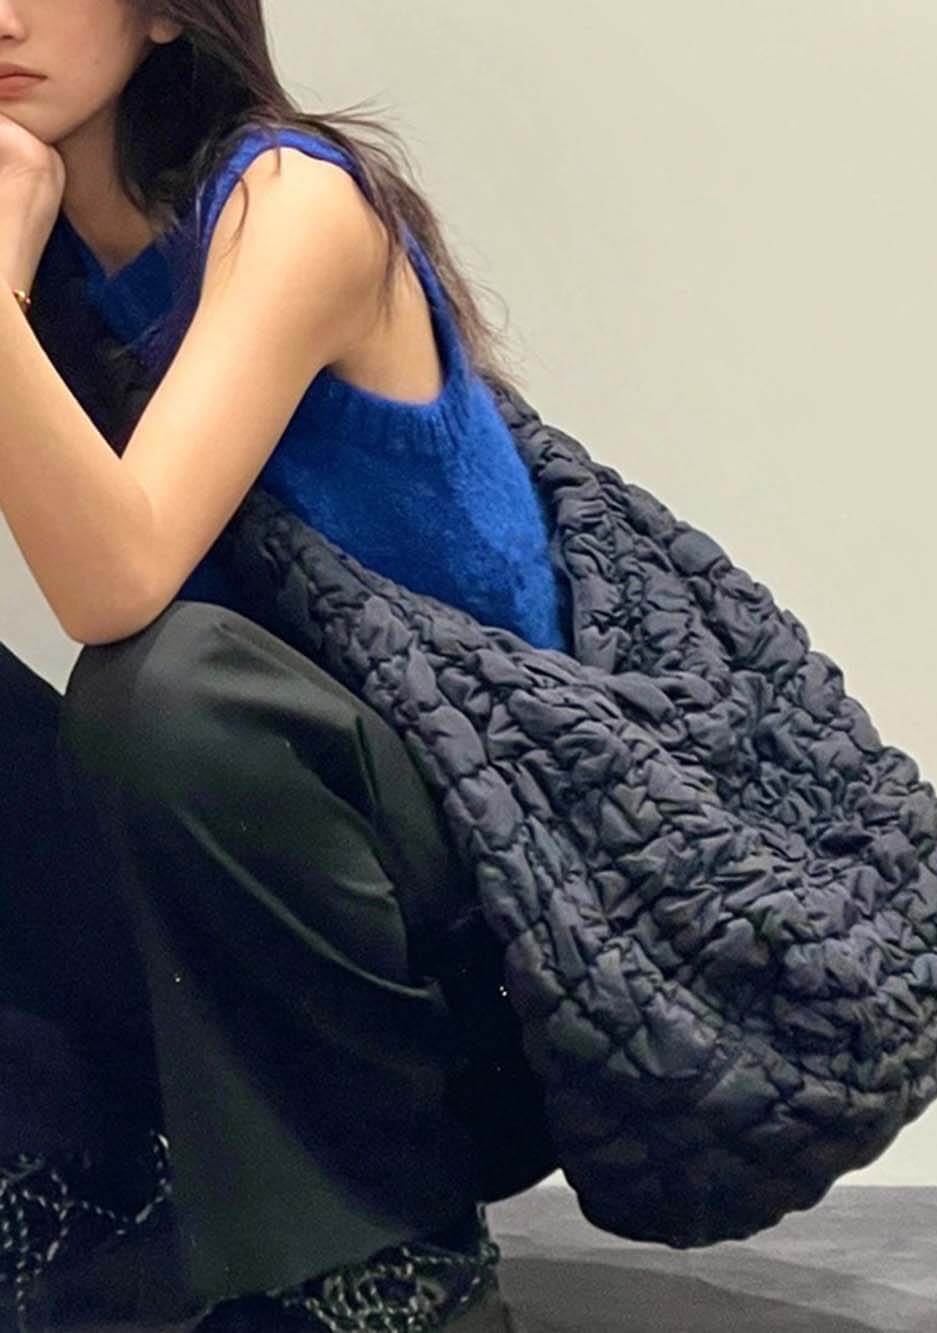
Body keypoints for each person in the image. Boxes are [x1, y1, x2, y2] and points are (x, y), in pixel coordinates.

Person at [0, 2, 562, 1328]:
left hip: (483, 962)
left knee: (167, 687)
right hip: (232, 924)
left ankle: (385, 1247)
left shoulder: (292, 206)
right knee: (164, 698)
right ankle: (89, 1176)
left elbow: (119, 577)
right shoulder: (49, 252)